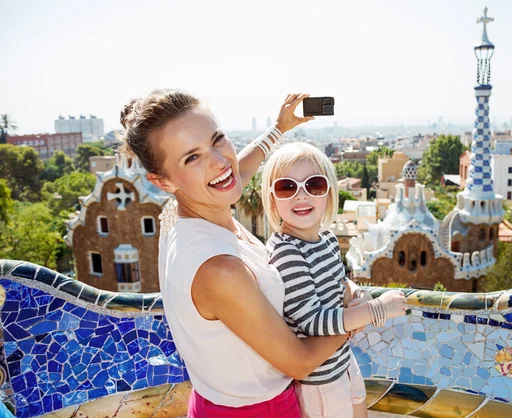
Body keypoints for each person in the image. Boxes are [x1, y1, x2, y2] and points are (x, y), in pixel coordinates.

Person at [119, 89, 408, 417]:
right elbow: (299, 362)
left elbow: (235, 171)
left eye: (217, 139)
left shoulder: (188, 209)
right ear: (163, 181)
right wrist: (362, 314)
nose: (218, 162)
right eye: (192, 157)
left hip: (216, 403)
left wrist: (279, 129)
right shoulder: (218, 269)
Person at [262, 143, 408, 418]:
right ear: (272, 199)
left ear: (329, 194)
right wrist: (377, 310)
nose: (301, 196)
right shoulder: (286, 252)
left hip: (342, 362)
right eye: (286, 187)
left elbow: (338, 282)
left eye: (314, 185)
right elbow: (314, 322)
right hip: (319, 382)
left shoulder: (327, 239)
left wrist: (355, 293)